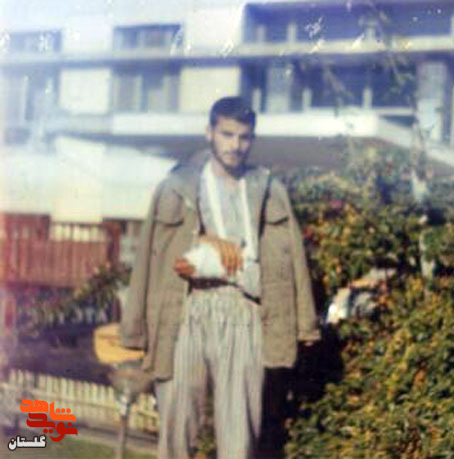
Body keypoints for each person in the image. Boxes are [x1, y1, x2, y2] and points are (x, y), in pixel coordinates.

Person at [119, 96, 321, 459]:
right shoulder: (177, 187)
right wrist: (203, 241)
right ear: (209, 133)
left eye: (243, 137)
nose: (235, 145)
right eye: (227, 134)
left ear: (252, 139)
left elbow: (292, 262)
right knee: (176, 428)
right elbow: (151, 256)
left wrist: (303, 324)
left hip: (244, 312)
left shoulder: (268, 190)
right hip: (187, 310)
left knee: (239, 437)